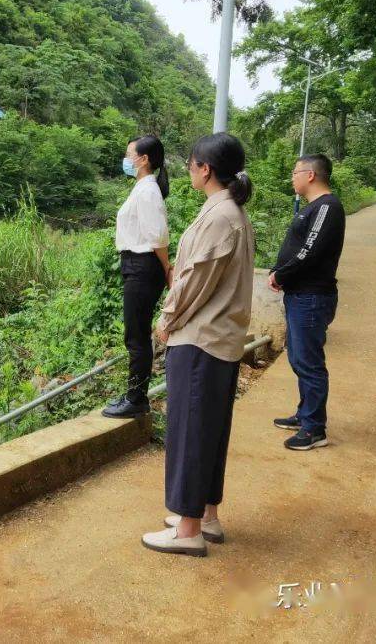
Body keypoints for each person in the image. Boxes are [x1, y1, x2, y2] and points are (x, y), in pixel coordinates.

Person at [142, 133, 255, 557]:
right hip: (220, 340)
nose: (189, 171)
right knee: (209, 431)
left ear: (205, 169)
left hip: (201, 340)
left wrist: (166, 319)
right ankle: (205, 516)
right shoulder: (232, 212)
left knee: (190, 432)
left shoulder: (220, 217)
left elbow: (193, 281)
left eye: (191, 165)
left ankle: (188, 529)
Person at [267, 154, 346, 451]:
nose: (292, 178)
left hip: (311, 297)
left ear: (310, 175)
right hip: (300, 295)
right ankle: (304, 415)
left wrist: (281, 274)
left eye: (295, 172)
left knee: (309, 362)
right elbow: (300, 247)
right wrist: (280, 273)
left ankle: (314, 428)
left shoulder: (327, 207)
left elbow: (310, 250)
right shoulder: (314, 207)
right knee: (299, 358)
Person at [103, 135, 173, 419]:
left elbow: (158, 237)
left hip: (143, 265)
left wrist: (166, 268)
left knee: (137, 336)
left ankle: (136, 399)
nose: (126, 159)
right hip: (137, 265)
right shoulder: (142, 188)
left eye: (129, 154)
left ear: (143, 160)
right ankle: (134, 395)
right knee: (135, 333)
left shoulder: (148, 192)